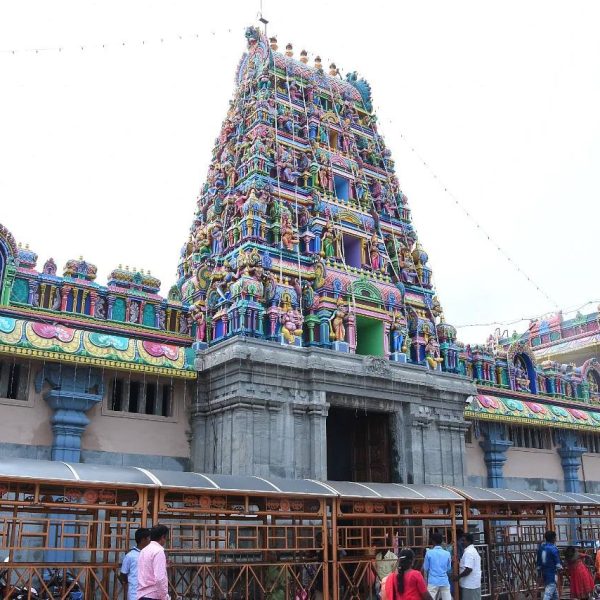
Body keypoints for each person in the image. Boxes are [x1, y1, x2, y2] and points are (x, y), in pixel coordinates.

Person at [137, 524, 169, 600]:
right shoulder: (159, 551)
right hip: (154, 595)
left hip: (142, 595)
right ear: (163, 537)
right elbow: (159, 578)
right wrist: (164, 596)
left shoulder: (144, 550)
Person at [119, 528, 151, 600]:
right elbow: (123, 575)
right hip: (135, 595)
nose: (150, 541)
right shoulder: (130, 556)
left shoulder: (150, 555)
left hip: (149, 595)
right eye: (148, 538)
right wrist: (130, 584)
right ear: (143, 539)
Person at [423, 532, 451, 600]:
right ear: (441, 541)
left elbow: (425, 568)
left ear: (433, 541)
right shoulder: (447, 553)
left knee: (430, 598)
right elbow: (448, 568)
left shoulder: (429, 553)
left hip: (433, 581)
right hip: (444, 580)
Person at [537, 530, 562, 600]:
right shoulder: (554, 548)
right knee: (548, 594)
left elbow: (538, 563)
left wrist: (539, 574)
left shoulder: (541, 548)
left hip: (544, 574)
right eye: (555, 537)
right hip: (552, 575)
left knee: (554, 595)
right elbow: (558, 564)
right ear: (553, 538)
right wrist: (561, 569)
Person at [456, 533, 482, 600]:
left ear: (469, 541)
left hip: (469, 585)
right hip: (473, 584)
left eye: (464, 540)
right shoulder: (472, 550)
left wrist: (458, 577)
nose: (462, 542)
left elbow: (468, 569)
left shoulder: (469, 552)